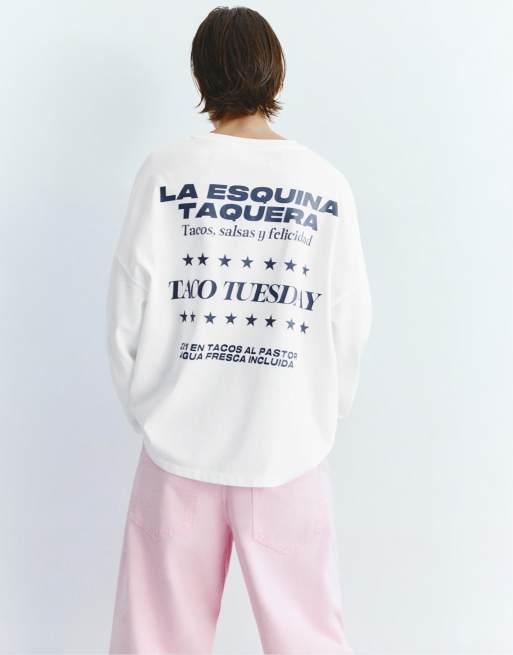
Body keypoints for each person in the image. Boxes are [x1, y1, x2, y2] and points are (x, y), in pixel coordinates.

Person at [106, 6, 372, 654]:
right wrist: (321, 408)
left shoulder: (167, 172)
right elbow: (349, 316)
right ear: (274, 72)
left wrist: (148, 407)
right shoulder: (323, 185)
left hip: (179, 444)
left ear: (201, 75)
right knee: (309, 636)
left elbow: (126, 307)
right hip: (288, 444)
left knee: (157, 636)